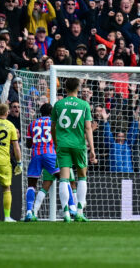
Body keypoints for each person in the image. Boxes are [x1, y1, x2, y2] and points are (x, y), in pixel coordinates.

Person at [51, 77, 96, 222]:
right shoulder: (84, 104)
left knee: (63, 178)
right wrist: (92, 148)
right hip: (79, 145)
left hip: (62, 144)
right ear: (78, 88)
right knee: (82, 176)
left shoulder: (58, 104)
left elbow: (53, 127)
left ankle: (66, 213)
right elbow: (88, 127)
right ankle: (80, 212)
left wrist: (56, 142)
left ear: (65, 88)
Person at [24, 102, 58, 222]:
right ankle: (72, 209)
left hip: (36, 155)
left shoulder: (32, 124)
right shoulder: (54, 123)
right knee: (64, 179)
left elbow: (28, 144)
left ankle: (29, 212)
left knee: (31, 185)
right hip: (51, 155)